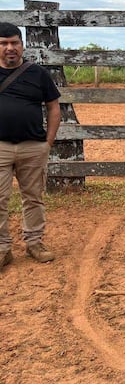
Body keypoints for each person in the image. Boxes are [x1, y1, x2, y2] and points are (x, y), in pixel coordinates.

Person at [0, 22, 61, 267]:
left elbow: (54, 108)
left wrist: (48, 142)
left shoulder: (38, 74)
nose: (9, 48)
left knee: (33, 198)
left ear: (23, 46)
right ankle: (2, 249)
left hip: (33, 147)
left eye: (15, 42)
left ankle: (34, 243)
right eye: (3, 43)